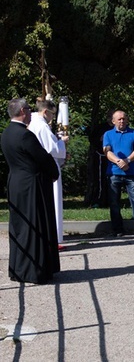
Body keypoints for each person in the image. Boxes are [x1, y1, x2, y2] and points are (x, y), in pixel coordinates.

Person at [1, 98, 60, 284]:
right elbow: (42, 157)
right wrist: (53, 172)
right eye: (28, 109)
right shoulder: (25, 135)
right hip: (30, 184)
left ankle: (18, 269)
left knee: (20, 226)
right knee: (33, 226)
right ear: (22, 111)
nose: (30, 112)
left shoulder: (6, 133)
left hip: (15, 182)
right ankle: (34, 270)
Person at [27, 98, 69, 246]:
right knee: (53, 201)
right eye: (52, 114)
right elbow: (52, 149)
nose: (52, 117)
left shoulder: (34, 122)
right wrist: (62, 141)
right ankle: (55, 237)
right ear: (45, 112)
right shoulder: (41, 126)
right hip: (47, 167)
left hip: (40, 166)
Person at [104, 110, 134, 237]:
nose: (122, 121)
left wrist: (127, 160)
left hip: (130, 173)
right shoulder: (108, 134)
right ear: (113, 121)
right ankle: (118, 229)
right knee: (114, 202)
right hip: (113, 173)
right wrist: (119, 161)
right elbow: (107, 151)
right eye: (119, 119)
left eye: (124, 118)